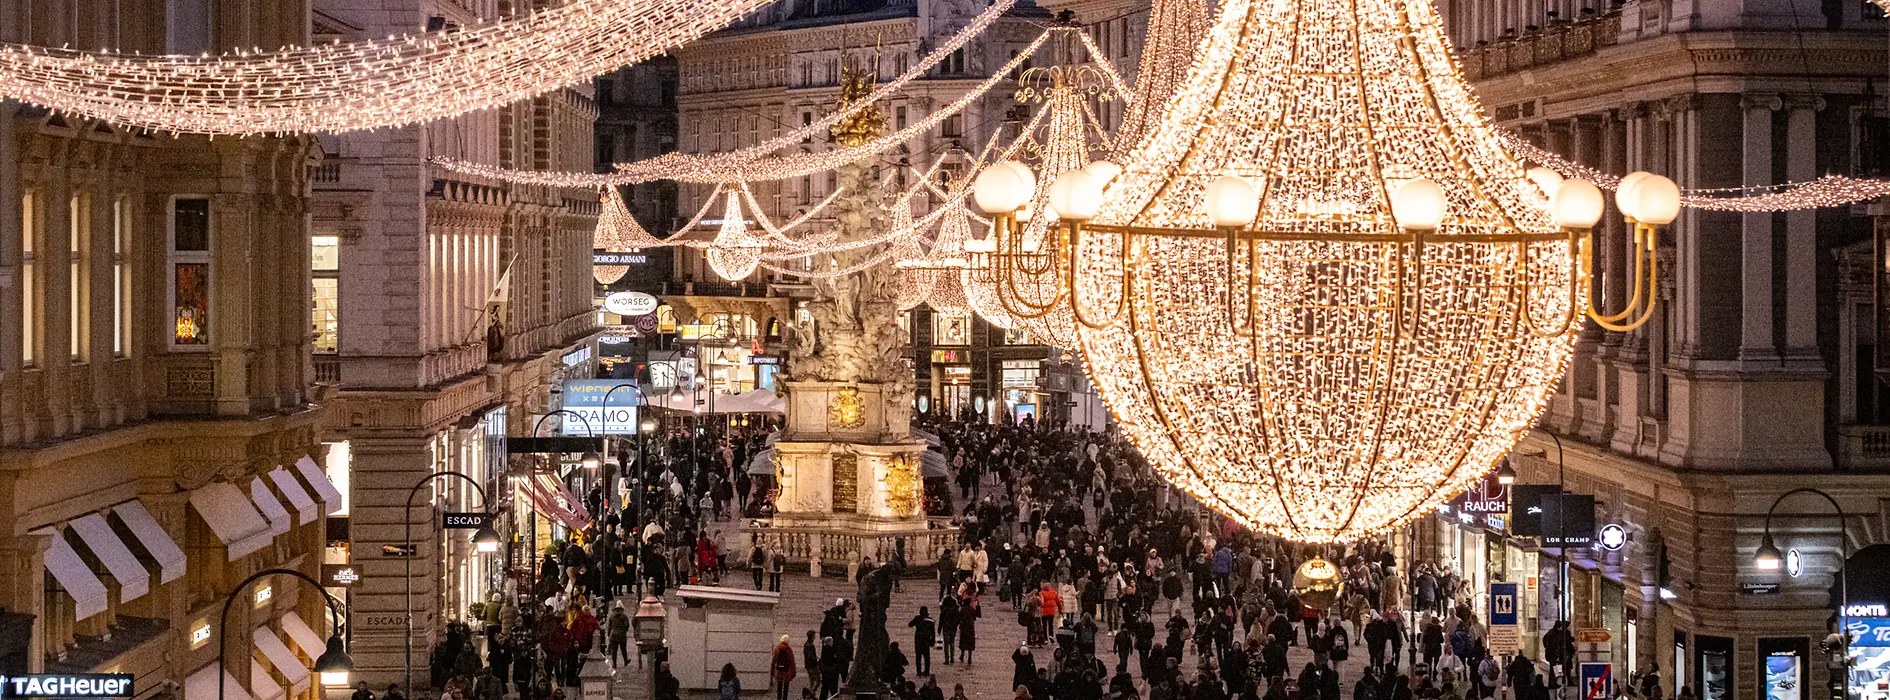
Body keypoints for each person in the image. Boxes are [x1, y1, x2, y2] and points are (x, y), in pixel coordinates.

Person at [910, 606, 937, 676]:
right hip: (926, 641)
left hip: (918, 641)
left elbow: (910, 624)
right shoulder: (930, 620)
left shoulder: (917, 618)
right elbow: (933, 632)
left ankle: (918, 672)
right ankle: (927, 671)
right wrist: (932, 641)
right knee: (927, 657)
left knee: (918, 657)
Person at [771, 635, 797, 700]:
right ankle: (785, 698)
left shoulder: (777, 648)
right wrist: (793, 672)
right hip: (787, 670)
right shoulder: (789, 649)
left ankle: (779, 698)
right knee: (786, 686)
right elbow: (792, 661)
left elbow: (773, 660)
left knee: (779, 685)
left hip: (779, 669)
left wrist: (772, 671)